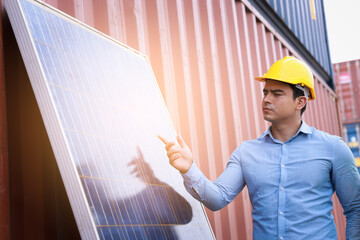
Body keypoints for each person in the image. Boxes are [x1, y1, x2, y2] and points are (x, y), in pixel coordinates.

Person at [158, 56, 360, 240]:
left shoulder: (333, 149)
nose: (267, 99)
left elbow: (356, 208)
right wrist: (189, 168)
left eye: (277, 93)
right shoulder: (247, 153)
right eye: (266, 92)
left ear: (300, 102)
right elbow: (217, 198)